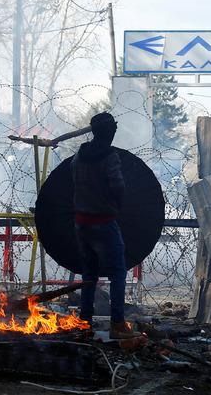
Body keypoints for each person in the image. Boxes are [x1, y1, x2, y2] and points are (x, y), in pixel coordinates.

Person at [71, 112, 139, 339]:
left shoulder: (79, 156)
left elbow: (74, 182)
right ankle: (117, 324)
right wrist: (116, 205)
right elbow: (117, 185)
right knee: (118, 274)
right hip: (104, 223)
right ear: (111, 133)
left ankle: (84, 323)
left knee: (89, 275)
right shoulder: (109, 157)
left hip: (82, 223)